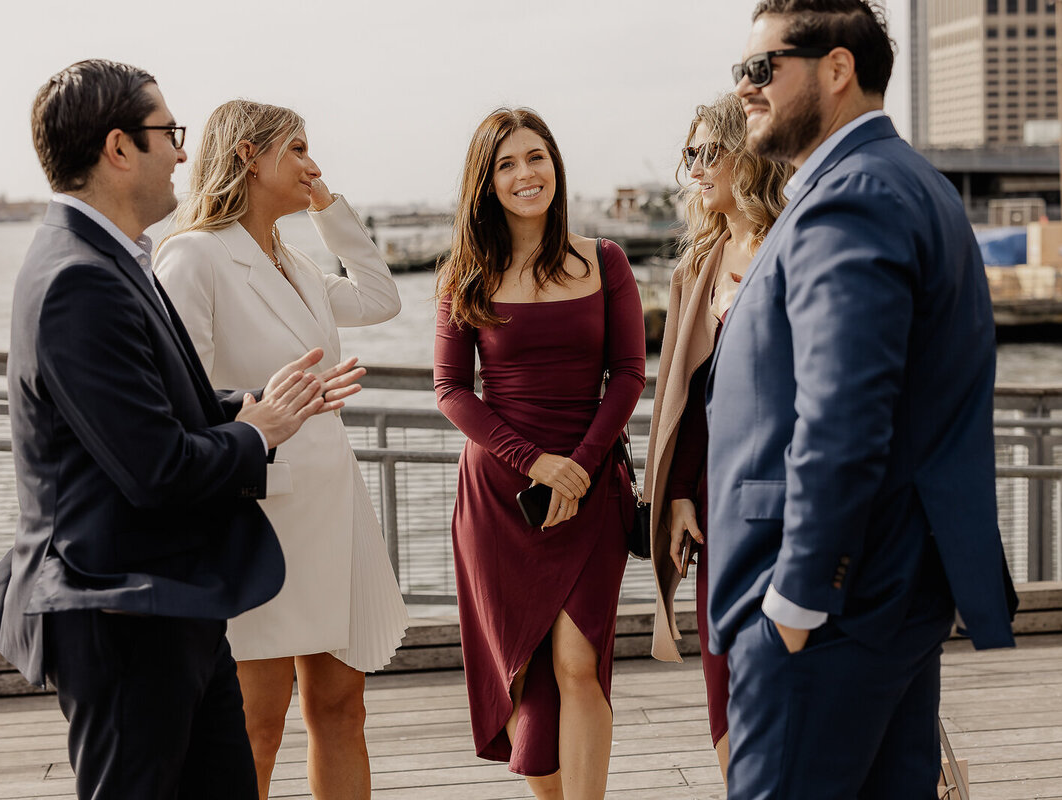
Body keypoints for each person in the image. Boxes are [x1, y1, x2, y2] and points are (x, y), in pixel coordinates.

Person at [0, 59, 365, 800]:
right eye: (169, 133)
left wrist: (258, 402)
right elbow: (153, 466)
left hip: (174, 603)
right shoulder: (78, 280)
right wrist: (259, 432)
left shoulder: (112, 259)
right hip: (121, 613)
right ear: (119, 149)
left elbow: (159, 410)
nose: (184, 152)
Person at [708, 3, 1018, 798]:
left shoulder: (854, 196)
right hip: (888, 593)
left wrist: (800, 595)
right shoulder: (909, 183)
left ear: (837, 69)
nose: (744, 88)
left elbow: (844, 413)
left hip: (827, 610)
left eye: (761, 67)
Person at [155, 100, 409, 800]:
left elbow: (381, 298)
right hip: (256, 518)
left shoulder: (294, 263)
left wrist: (326, 205)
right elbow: (180, 400)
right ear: (247, 155)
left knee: (341, 710)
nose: (312, 164)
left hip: (333, 517)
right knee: (253, 727)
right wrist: (261, 403)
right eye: (297, 149)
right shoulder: (195, 256)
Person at [433, 107, 645, 800]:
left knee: (579, 661)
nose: (526, 174)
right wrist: (535, 463)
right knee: (526, 668)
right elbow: (451, 391)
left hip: (589, 489)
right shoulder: (463, 273)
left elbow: (630, 375)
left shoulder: (604, 261)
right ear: (486, 182)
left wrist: (579, 465)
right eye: (507, 164)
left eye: (536, 157)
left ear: (555, 164)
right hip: (502, 496)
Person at [644, 92, 791, 784]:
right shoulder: (695, 267)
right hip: (714, 505)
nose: (696, 167)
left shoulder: (796, 243)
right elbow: (683, 399)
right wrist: (675, 496)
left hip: (789, 501)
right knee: (723, 683)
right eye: (689, 154)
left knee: (789, 680)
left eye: (710, 151)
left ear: (748, 154)